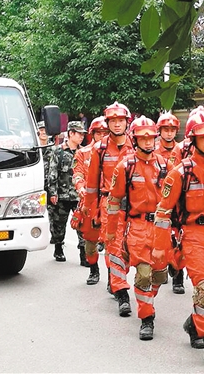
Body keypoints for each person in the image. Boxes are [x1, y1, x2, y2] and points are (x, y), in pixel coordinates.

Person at [153, 110, 204, 370]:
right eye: (203, 136)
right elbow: (163, 213)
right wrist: (161, 249)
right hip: (194, 235)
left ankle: (192, 322)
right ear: (192, 139)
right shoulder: (180, 172)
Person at [107, 116, 174, 340]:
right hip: (137, 227)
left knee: (159, 275)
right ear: (134, 140)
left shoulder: (165, 165)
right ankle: (147, 319)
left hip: (162, 227)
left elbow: (177, 198)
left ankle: (148, 300)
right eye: (143, 138)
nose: (148, 142)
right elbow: (114, 200)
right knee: (143, 274)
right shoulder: (125, 166)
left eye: (151, 138)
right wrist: (111, 231)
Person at [83, 102, 134, 316]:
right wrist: (90, 209)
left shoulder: (137, 144)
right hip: (109, 205)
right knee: (114, 249)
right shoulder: (99, 149)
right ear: (108, 123)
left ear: (126, 123)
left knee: (132, 250)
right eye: (113, 121)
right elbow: (92, 183)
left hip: (135, 206)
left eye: (120, 120)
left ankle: (118, 277)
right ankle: (122, 293)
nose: (117, 124)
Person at [72, 116, 109, 278]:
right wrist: (80, 187)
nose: (102, 136)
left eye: (105, 133)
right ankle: (94, 270)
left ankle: (113, 279)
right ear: (92, 134)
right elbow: (77, 174)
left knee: (112, 244)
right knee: (89, 243)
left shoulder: (116, 154)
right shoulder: (82, 153)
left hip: (109, 203)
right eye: (98, 133)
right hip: (90, 203)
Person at [154, 112, 186, 295]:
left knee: (178, 238)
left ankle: (178, 277)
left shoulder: (181, 149)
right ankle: (161, 267)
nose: (169, 133)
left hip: (178, 202)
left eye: (172, 130)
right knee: (160, 237)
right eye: (165, 130)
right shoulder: (153, 151)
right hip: (159, 201)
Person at [47, 121, 87, 262]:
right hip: (62, 195)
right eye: (79, 133)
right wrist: (52, 193)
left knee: (82, 225)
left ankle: (84, 254)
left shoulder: (83, 152)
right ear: (71, 133)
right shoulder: (57, 151)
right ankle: (58, 247)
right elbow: (52, 173)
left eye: (83, 134)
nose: (82, 136)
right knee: (59, 225)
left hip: (78, 195)